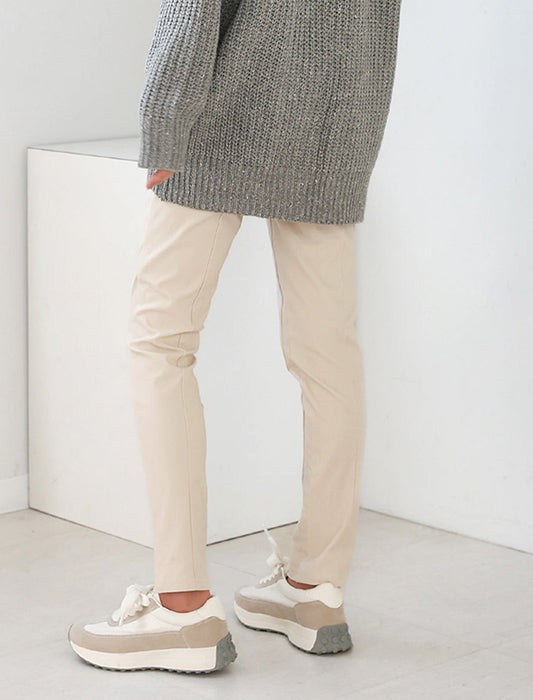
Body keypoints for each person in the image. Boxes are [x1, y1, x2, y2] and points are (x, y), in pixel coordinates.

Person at [68, 0, 402, 673]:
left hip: (223, 121)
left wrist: (165, 124)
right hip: (336, 131)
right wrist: (352, 136)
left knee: (161, 344)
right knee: (328, 357)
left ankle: (183, 606)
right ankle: (314, 588)